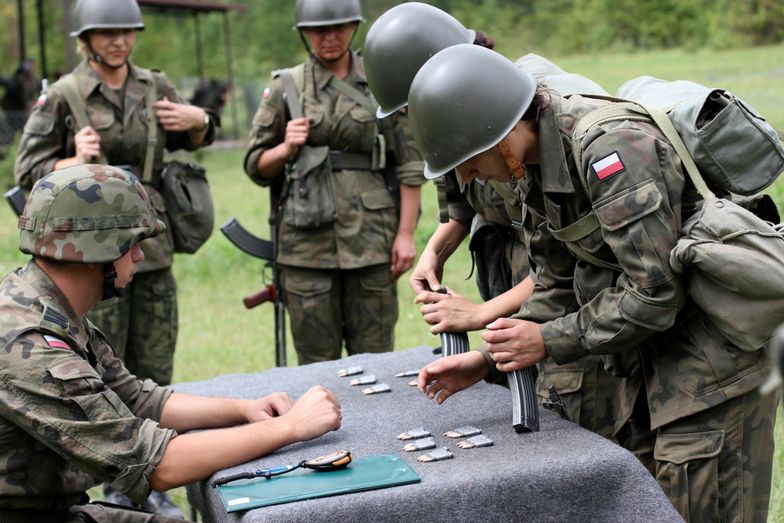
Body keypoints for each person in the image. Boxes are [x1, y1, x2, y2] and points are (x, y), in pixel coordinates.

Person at [408, 44, 777, 521]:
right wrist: (491, 360)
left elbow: (655, 292)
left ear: (500, 136)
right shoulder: (532, 168)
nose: (467, 175)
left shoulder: (608, 148)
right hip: (644, 371)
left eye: (469, 160)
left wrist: (545, 338)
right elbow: (557, 280)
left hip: (709, 374)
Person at [0, 165, 342, 522]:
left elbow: (135, 397)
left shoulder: (42, 301)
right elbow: (156, 465)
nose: (140, 256)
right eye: (131, 243)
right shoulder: (29, 344)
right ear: (93, 249)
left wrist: (246, 408)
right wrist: (291, 427)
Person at [362, 2, 635, 442]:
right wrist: (432, 254)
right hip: (540, 286)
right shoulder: (462, 129)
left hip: (577, 296)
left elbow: (573, 259)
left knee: (578, 414)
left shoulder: (515, 125)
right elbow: (459, 206)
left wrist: (480, 313)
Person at [13, 0, 216, 513]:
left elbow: (194, 135)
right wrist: (70, 158)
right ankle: (119, 482)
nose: (118, 41)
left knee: (150, 366)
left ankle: (153, 482)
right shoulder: (64, 94)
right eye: (106, 33)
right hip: (89, 251)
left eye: (126, 31)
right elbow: (26, 171)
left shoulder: (154, 85)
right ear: (85, 39)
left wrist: (198, 121)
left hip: (146, 245)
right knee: (91, 370)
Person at [243, 0, 425, 364]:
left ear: (354, 28)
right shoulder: (286, 87)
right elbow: (255, 165)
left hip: (372, 239)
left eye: (339, 27)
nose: (329, 37)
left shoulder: (380, 80)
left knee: (376, 360)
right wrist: (285, 148)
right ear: (305, 34)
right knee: (315, 364)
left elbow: (410, 163)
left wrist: (405, 235)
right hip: (305, 247)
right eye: (319, 30)